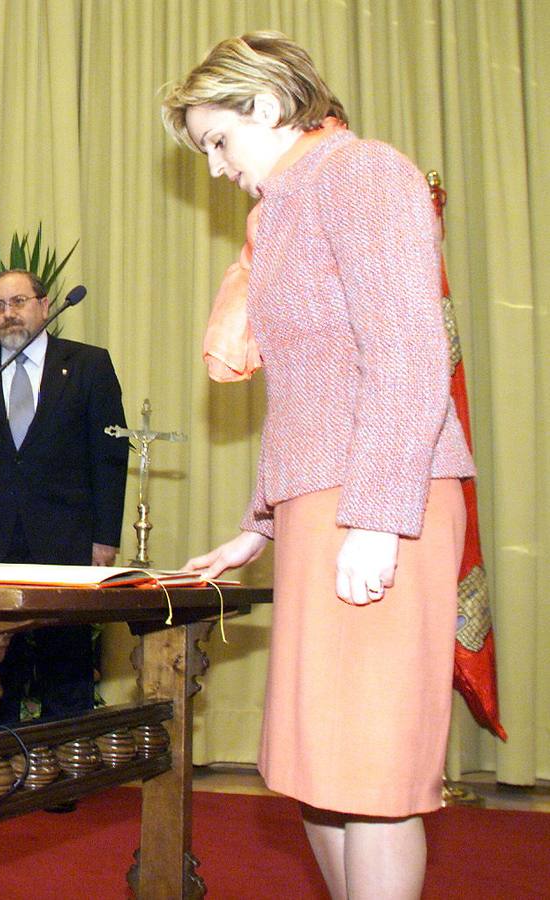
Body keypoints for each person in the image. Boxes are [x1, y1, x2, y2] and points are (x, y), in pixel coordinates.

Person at [163, 32, 476, 899]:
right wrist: (256, 528)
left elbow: (410, 358)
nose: (217, 168)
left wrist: (378, 516)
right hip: (323, 506)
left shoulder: (363, 173)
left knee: (370, 780)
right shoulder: (284, 209)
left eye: (218, 141)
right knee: (321, 774)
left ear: (264, 105)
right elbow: (308, 388)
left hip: (384, 497)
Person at [0, 268, 128, 724]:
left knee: (67, 659)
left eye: (18, 302)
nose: (8, 315)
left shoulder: (88, 365)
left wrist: (105, 537)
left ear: (45, 304)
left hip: (64, 537)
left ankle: (65, 769)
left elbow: (108, 458)